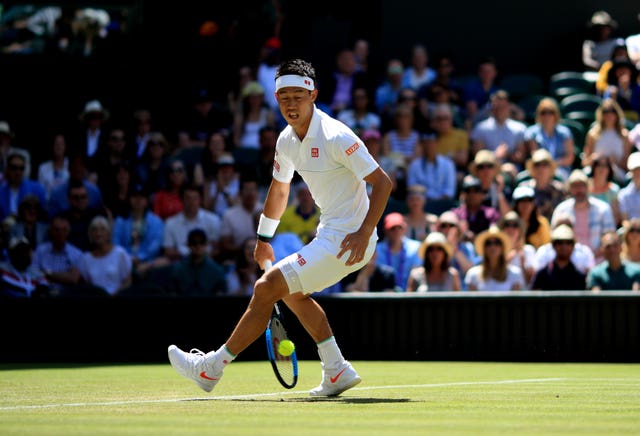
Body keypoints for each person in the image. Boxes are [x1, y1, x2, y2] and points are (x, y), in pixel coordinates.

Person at [167, 58, 392, 397]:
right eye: (283, 96)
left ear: (313, 95)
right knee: (293, 295)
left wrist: (363, 233)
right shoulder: (286, 140)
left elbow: (383, 183)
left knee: (267, 287)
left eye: (297, 95)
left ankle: (211, 368)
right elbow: (280, 189)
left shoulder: (336, 135)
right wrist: (263, 239)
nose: (290, 103)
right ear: (275, 98)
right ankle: (336, 369)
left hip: (349, 240)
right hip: (329, 234)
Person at [551, 169, 616, 261]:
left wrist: (590, 258)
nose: (579, 190)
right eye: (575, 186)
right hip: (569, 262)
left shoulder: (603, 209)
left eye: (582, 185)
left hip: (598, 261)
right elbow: (554, 237)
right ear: (570, 189)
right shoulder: (561, 210)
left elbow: (610, 238)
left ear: (588, 187)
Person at [77, 216, 132, 296]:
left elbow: (127, 281)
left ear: (108, 233)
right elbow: (86, 285)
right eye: (94, 230)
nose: (98, 233)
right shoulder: (86, 259)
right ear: (90, 234)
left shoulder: (120, 253)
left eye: (102, 229)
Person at [523, 97, 575, 180]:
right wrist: (547, 167)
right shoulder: (531, 133)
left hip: (561, 168)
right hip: (539, 168)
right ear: (539, 115)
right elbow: (535, 155)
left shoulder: (565, 133)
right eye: (543, 112)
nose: (547, 116)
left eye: (550, 112)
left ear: (556, 114)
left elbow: (570, 157)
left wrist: (554, 164)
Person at [170, 228, 228, 296]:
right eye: (194, 243)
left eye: (202, 242)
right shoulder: (178, 270)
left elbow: (222, 292)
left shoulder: (216, 270)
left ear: (206, 244)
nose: (198, 246)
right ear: (188, 245)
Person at [376, 212, 422, 292]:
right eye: (392, 228)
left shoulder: (416, 247)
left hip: (411, 295)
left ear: (405, 228)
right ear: (385, 230)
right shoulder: (376, 250)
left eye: (399, 227)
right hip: (384, 296)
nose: (396, 231)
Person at [531, 224, 587, 291]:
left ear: (573, 246)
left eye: (568, 242)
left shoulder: (579, 277)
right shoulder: (542, 275)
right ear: (553, 245)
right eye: (559, 242)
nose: (564, 246)